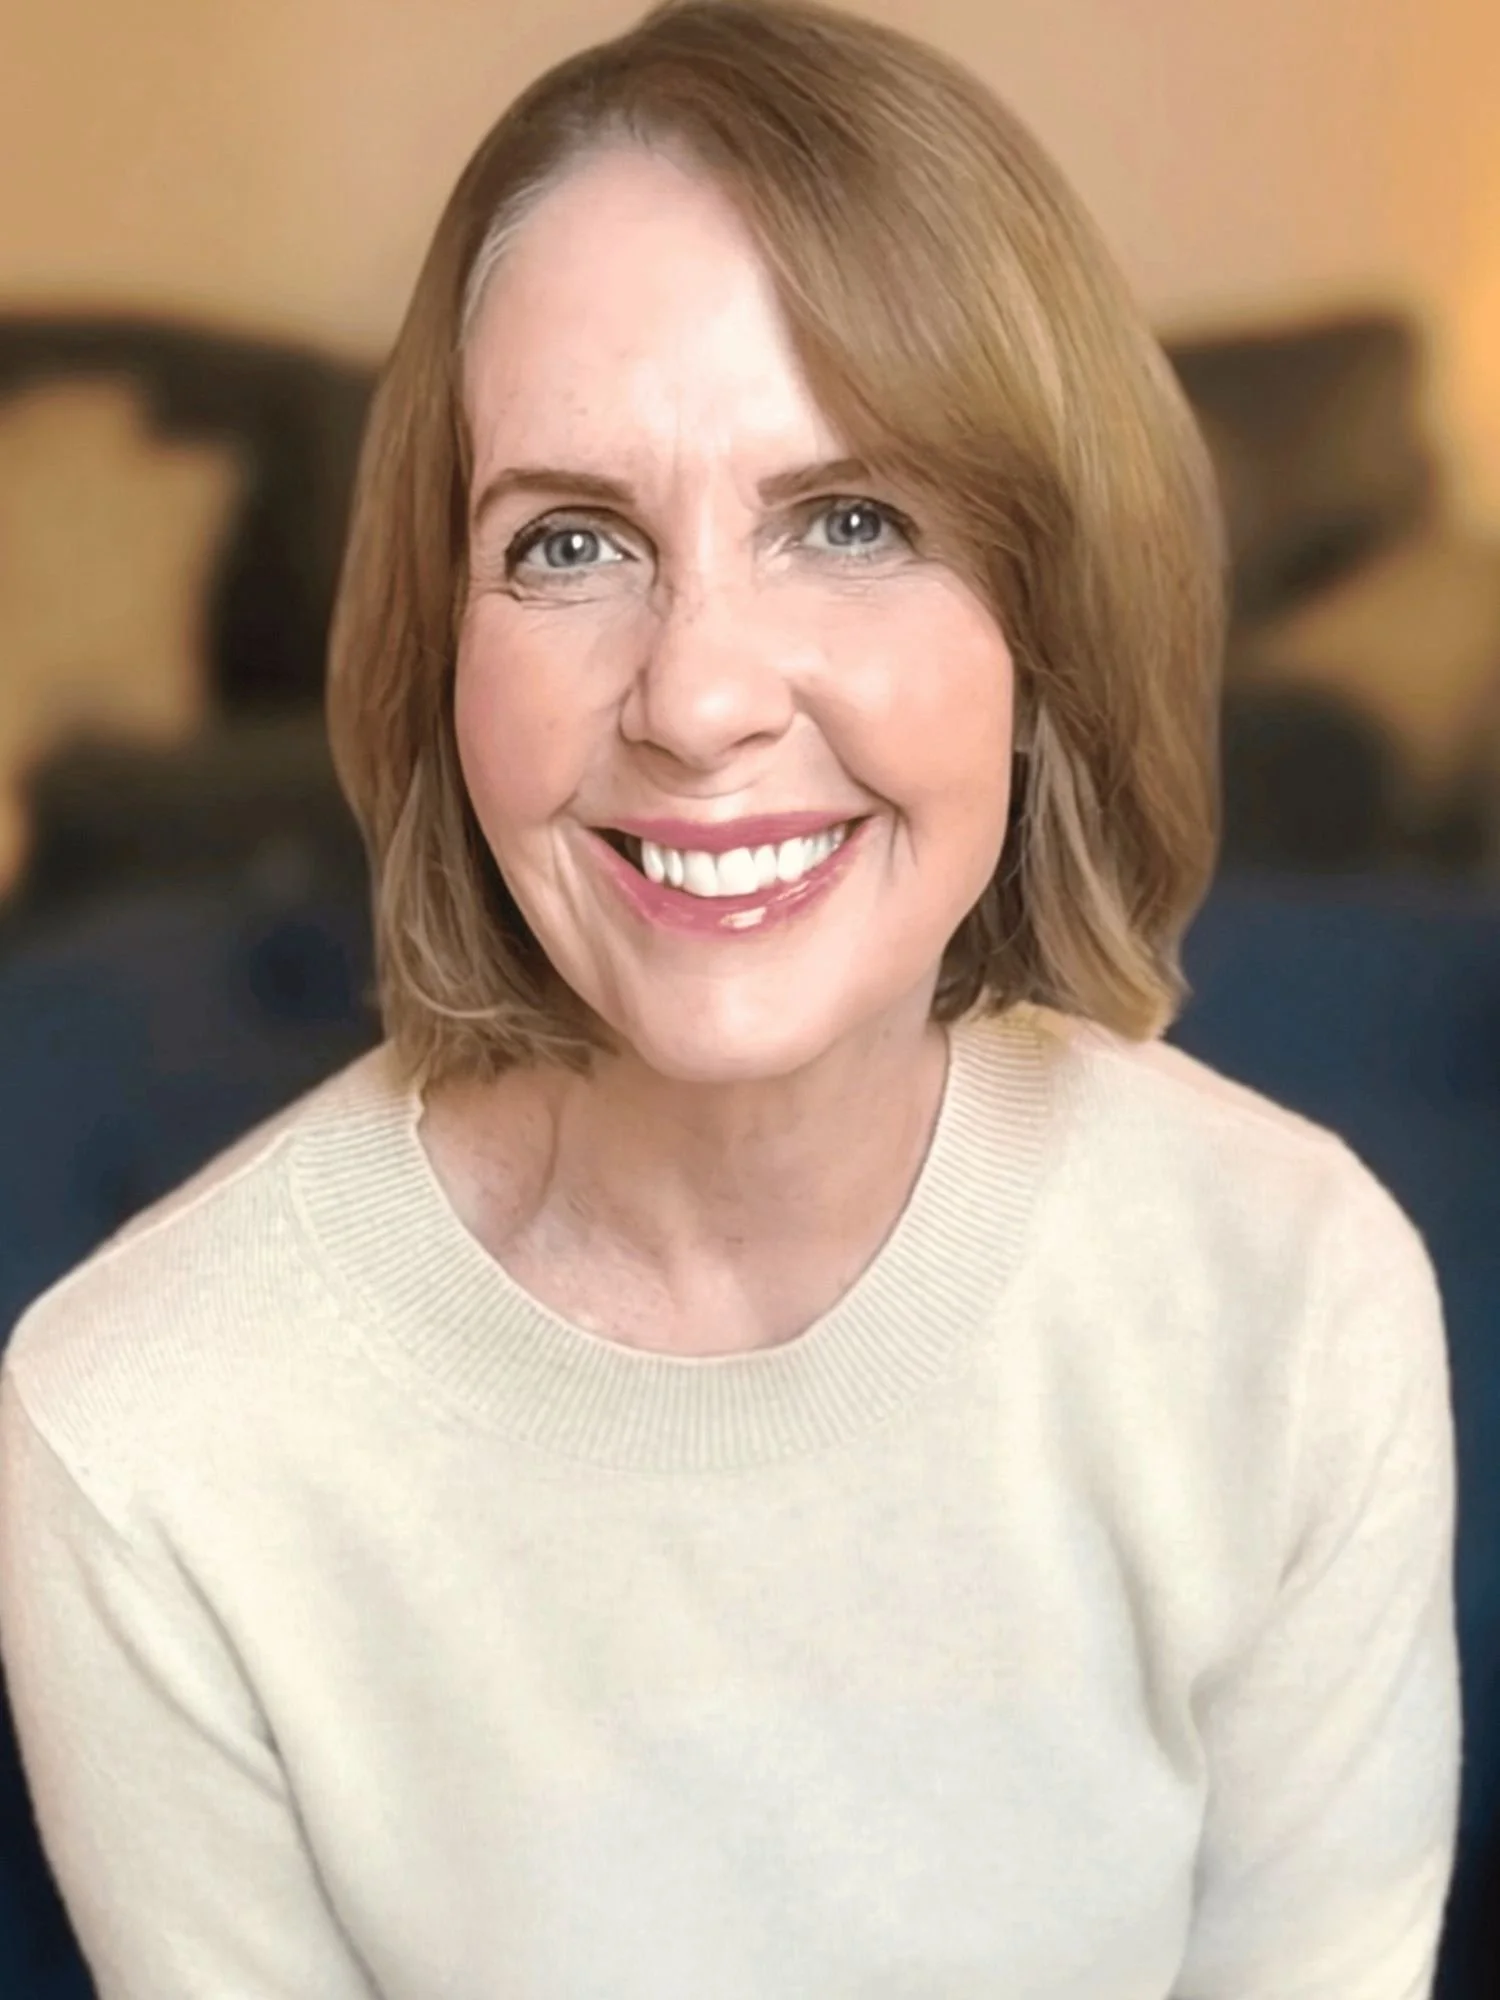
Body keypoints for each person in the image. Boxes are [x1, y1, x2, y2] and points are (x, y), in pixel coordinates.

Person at [0, 2, 1459, 1993]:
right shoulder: (138, 1436)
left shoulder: (1294, 1303)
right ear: (438, 649)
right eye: (571, 541)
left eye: (850, 521)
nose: (697, 697)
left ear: (1045, 624)